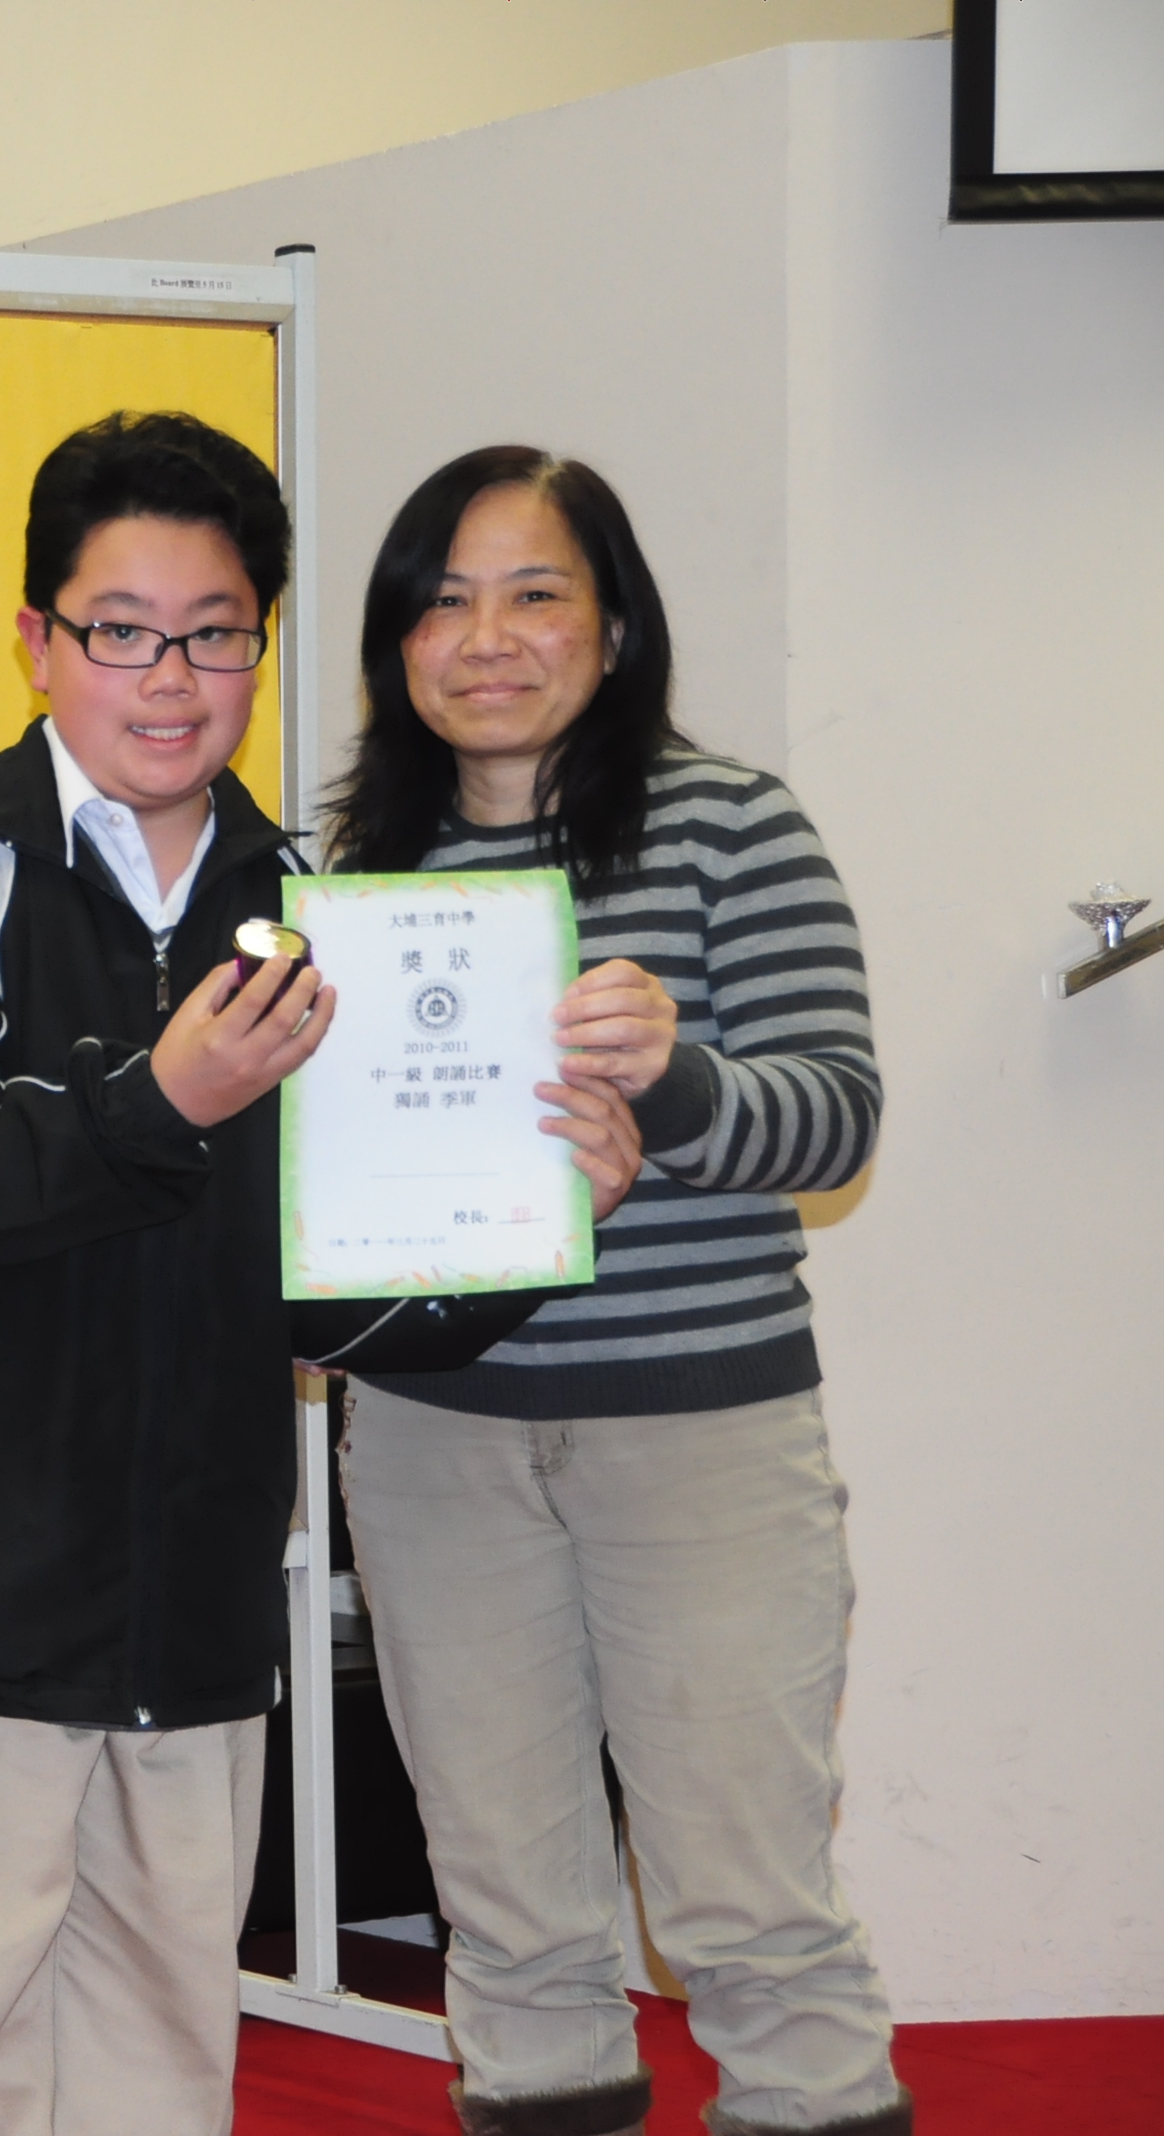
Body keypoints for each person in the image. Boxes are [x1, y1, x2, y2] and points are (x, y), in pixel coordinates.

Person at [0, 412, 643, 2136]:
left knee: (165, 2072)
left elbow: (330, 1292)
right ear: (38, 641)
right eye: (123, 631)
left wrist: (539, 1225)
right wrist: (163, 1100)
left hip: (194, 1596)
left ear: (263, 645)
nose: (170, 680)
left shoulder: (313, 902)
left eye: (217, 634)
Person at [325, 448, 902, 2136]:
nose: (485, 638)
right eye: (442, 602)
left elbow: (838, 1119)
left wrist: (678, 1079)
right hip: (433, 1441)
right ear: (397, 643)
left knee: (747, 1900)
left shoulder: (733, 825)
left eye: (534, 594)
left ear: (616, 623)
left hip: (698, 1435)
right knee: (504, 1906)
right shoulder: (355, 869)